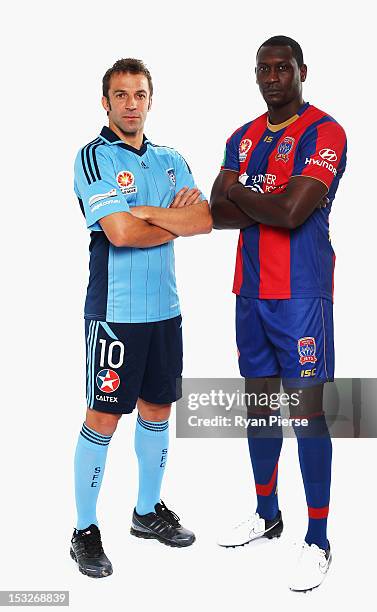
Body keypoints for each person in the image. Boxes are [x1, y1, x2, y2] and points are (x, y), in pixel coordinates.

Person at [211, 36, 347, 592]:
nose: (272, 77)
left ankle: (318, 539)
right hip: (250, 292)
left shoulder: (324, 131)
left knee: (308, 414)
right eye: (263, 68)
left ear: (301, 71)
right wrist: (246, 198)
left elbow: (292, 212)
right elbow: (217, 215)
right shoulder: (241, 137)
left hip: (301, 295)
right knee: (260, 408)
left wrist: (240, 192)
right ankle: (268, 515)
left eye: (282, 67)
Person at [71, 58, 212, 578]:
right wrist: (164, 218)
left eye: (139, 94)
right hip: (117, 312)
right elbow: (121, 235)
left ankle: (147, 512)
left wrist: (148, 214)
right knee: (104, 417)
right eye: (121, 94)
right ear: (105, 102)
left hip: (165, 311)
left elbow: (204, 218)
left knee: (158, 411)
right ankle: (85, 530)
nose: (131, 103)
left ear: (151, 100)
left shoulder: (171, 159)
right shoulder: (94, 158)